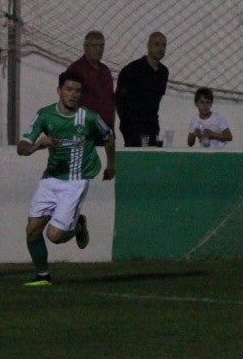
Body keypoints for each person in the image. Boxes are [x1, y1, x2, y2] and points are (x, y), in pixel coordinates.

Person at [17, 70, 116, 286]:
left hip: (75, 182)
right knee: (32, 230)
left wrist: (111, 165)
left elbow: (108, 136)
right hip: (50, 179)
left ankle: (78, 226)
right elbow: (21, 148)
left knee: (54, 236)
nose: (73, 94)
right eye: (69, 89)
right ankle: (43, 276)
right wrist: (37, 146)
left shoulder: (88, 117)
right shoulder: (44, 115)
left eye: (77, 91)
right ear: (59, 91)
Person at [115, 31, 169, 147]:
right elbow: (119, 100)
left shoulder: (163, 72)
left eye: (164, 45)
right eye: (156, 44)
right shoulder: (131, 70)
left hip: (152, 127)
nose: (160, 48)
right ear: (148, 46)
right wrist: (126, 124)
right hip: (132, 127)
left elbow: (156, 101)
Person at [66, 30, 115, 130]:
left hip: (106, 130)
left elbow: (111, 102)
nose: (98, 49)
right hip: (85, 130)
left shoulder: (106, 71)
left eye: (101, 46)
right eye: (94, 46)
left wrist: (111, 130)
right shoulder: (76, 69)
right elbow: (68, 100)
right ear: (85, 47)